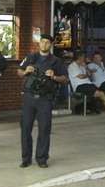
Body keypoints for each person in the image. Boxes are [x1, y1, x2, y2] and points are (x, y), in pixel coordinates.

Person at [17, 33, 68, 168]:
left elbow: (65, 79)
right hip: (29, 97)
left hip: (45, 98)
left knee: (44, 129)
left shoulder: (56, 61)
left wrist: (54, 76)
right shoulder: (31, 57)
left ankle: (42, 158)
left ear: (50, 45)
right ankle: (25, 159)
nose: (44, 44)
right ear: (39, 43)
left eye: (47, 43)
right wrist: (25, 71)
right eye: (42, 42)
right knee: (25, 128)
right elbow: (19, 72)